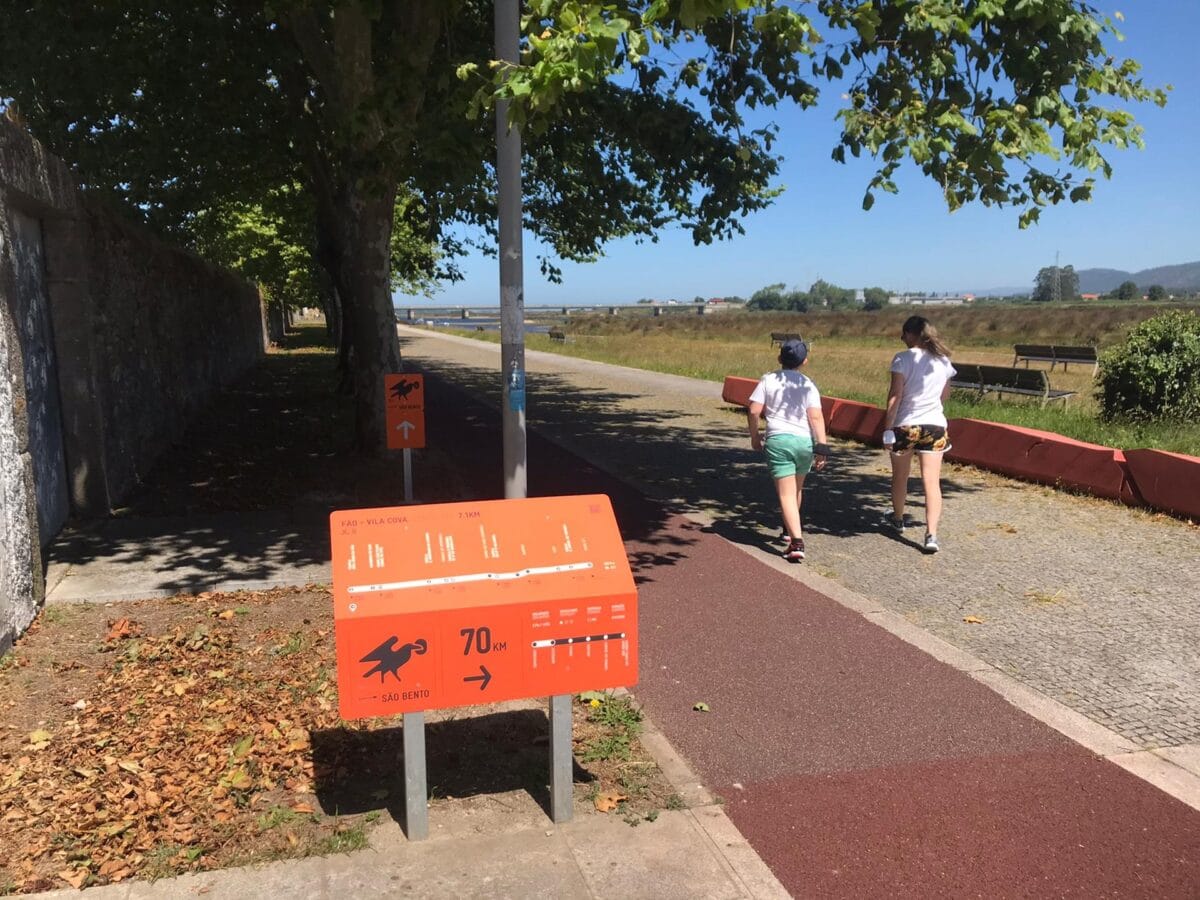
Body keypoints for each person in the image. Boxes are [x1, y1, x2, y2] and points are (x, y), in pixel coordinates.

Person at [747, 338, 829, 561]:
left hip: (779, 440)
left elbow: (754, 411)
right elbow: (816, 416)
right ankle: (787, 529)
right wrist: (822, 447)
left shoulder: (768, 380)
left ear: (779, 358)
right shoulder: (807, 384)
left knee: (785, 493)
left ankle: (797, 542)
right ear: (805, 361)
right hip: (804, 441)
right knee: (796, 490)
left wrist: (755, 437)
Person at [882, 315, 957, 553]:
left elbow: (896, 395)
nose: (902, 338)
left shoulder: (902, 359)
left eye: (903, 334)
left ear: (911, 334)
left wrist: (887, 428)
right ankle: (931, 534)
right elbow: (945, 396)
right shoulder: (943, 361)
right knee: (931, 482)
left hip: (906, 425)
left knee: (900, 477)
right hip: (935, 426)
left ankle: (897, 518)